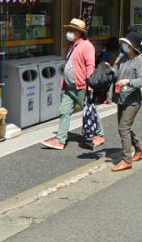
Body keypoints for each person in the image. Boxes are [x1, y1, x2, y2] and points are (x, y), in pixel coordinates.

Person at [42, 18, 105, 150]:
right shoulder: (72, 46)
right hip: (69, 86)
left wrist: (90, 83)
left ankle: (99, 134)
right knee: (64, 111)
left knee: (89, 110)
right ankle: (60, 139)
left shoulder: (86, 46)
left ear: (79, 32)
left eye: (72, 30)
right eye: (69, 30)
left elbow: (90, 65)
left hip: (81, 86)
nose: (69, 32)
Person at [110, 32, 142, 172]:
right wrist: (110, 70)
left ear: (132, 47)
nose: (123, 45)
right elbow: (116, 73)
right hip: (121, 98)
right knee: (123, 127)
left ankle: (126, 160)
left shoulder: (140, 61)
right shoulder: (123, 58)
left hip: (133, 100)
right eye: (123, 43)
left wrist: (128, 81)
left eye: (126, 44)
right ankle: (139, 146)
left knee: (123, 128)